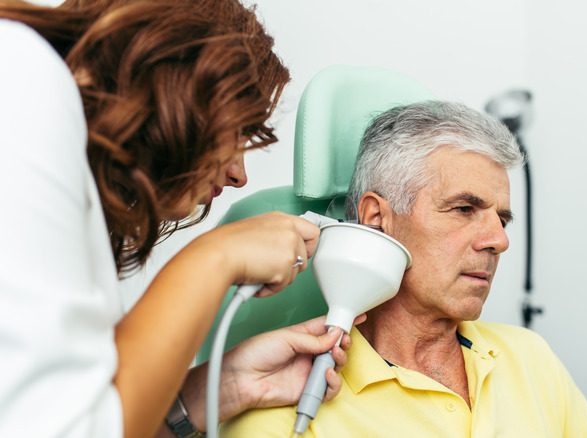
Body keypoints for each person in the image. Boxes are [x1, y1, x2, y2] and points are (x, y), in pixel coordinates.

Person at [0, 1, 361, 437]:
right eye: (240, 132)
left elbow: (80, 412)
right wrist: (213, 258)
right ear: (182, 80)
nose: (239, 175)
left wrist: (223, 387)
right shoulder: (22, 74)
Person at [220, 100, 587, 437]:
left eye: (502, 220)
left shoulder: (529, 356)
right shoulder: (286, 401)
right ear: (376, 219)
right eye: (464, 209)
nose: (499, 240)